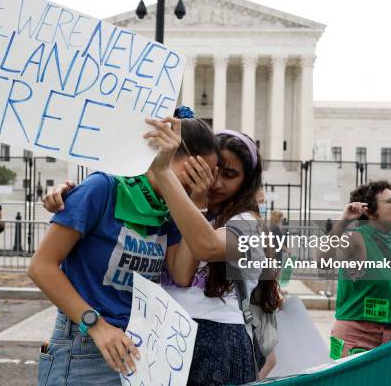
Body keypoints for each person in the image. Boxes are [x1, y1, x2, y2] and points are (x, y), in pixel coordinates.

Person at [44, 127, 282, 384]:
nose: (216, 182)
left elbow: (206, 246)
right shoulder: (170, 209)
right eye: (210, 171)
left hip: (215, 341)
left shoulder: (248, 223)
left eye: (230, 175)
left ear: (246, 183)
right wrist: (72, 194)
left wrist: (190, 195)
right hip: (161, 339)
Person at [28, 113, 218, 386]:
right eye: (197, 172)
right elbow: (40, 267)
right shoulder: (102, 188)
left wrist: (197, 202)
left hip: (137, 345)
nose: (203, 182)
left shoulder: (170, 211)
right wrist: (96, 325)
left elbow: (181, 274)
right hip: (87, 344)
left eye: (208, 176)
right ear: (165, 153)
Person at [318, 181, 391, 358]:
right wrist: (343, 221)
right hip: (358, 339)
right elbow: (323, 262)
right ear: (369, 211)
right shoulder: (357, 238)